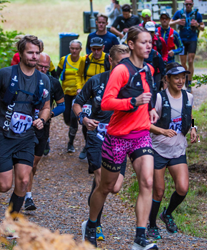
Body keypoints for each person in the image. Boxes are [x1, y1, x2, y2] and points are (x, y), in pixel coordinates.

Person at [82, 26, 158, 250]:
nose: (148, 46)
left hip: (141, 134)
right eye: (143, 42)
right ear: (132, 44)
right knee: (106, 187)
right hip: (117, 136)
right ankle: (91, 224)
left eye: (150, 43)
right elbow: (106, 102)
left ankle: (140, 238)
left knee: (148, 181)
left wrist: (151, 108)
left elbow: (147, 93)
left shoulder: (149, 70)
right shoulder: (121, 71)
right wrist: (132, 103)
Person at [0, 35, 52, 215]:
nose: (34, 56)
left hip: (26, 137)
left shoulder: (44, 80)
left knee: (24, 181)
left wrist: (42, 119)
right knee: (4, 185)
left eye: (37, 53)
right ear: (21, 53)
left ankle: (11, 222)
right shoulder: (6, 74)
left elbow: (47, 107)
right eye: (30, 52)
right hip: (2, 135)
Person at [73, 45, 131, 242]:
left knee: (112, 187)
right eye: (120, 62)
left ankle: (92, 218)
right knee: (100, 179)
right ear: (110, 61)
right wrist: (84, 119)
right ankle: (93, 225)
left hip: (119, 139)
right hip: (97, 136)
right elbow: (77, 103)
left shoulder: (133, 84)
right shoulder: (97, 81)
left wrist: (192, 126)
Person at [144, 62, 198, 240]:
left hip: (178, 149)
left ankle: (167, 213)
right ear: (167, 79)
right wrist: (162, 131)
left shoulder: (188, 97)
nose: (181, 80)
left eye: (183, 77)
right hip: (158, 150)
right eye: (176, 77)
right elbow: (146, 123)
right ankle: (151, 225)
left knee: (182, 188)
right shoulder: (159, 98)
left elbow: (189, 117)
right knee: (158, 191)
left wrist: (193, 128)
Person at [23, 52, 66, 211]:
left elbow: (62, 105)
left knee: (33, 163)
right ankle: (28, 197)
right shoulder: (24, 77)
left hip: (42, 127)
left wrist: (49, 115)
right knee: (26, 163)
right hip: (23, 126)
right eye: (40, 66)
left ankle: (24, 188)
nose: (42, 69)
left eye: (45, 67)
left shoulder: (53, 82)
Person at [76, 37, 113, 160]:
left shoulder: (108, 59)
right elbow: (79, 75)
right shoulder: (85, 59)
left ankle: (103, 144)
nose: (96, 52)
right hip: (88, 93)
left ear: (103, 48)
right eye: (93, 49)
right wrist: (79, 87)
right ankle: (88, 144)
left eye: (98, 49)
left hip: (102, 93)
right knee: (87, 119)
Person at [59, 40, 85, 154]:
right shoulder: (64, 60)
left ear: (80, 49)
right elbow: (57, 73)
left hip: (78, 94)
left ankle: (70, 143)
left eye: (76, 49)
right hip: (66, 93)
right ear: (70, 48)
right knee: (67, 118)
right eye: (72, 48)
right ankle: (72, 127)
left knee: (74, 117)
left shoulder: (83, 61)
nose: (74, 51)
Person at [172, 0, 204, 76]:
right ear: (184, 4)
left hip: (192, 39)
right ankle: (185, 78)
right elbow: (169, 23)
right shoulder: (179, 13)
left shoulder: (197, 15)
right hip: (182, 40)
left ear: (192, 4)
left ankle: (189, 82)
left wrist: (197, 25)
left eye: (190, 4)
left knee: (190, 61)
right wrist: (177, 22)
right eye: (186, 4)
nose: (188, 6)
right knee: (183, 63)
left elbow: (202, 28)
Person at [143, 22, 166, 88]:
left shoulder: (160, 40)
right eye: (148, 31)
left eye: (152, 32)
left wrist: (164, 60)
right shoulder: (140, 41)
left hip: (157, 69)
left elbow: (165, 52)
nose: (150, 34)